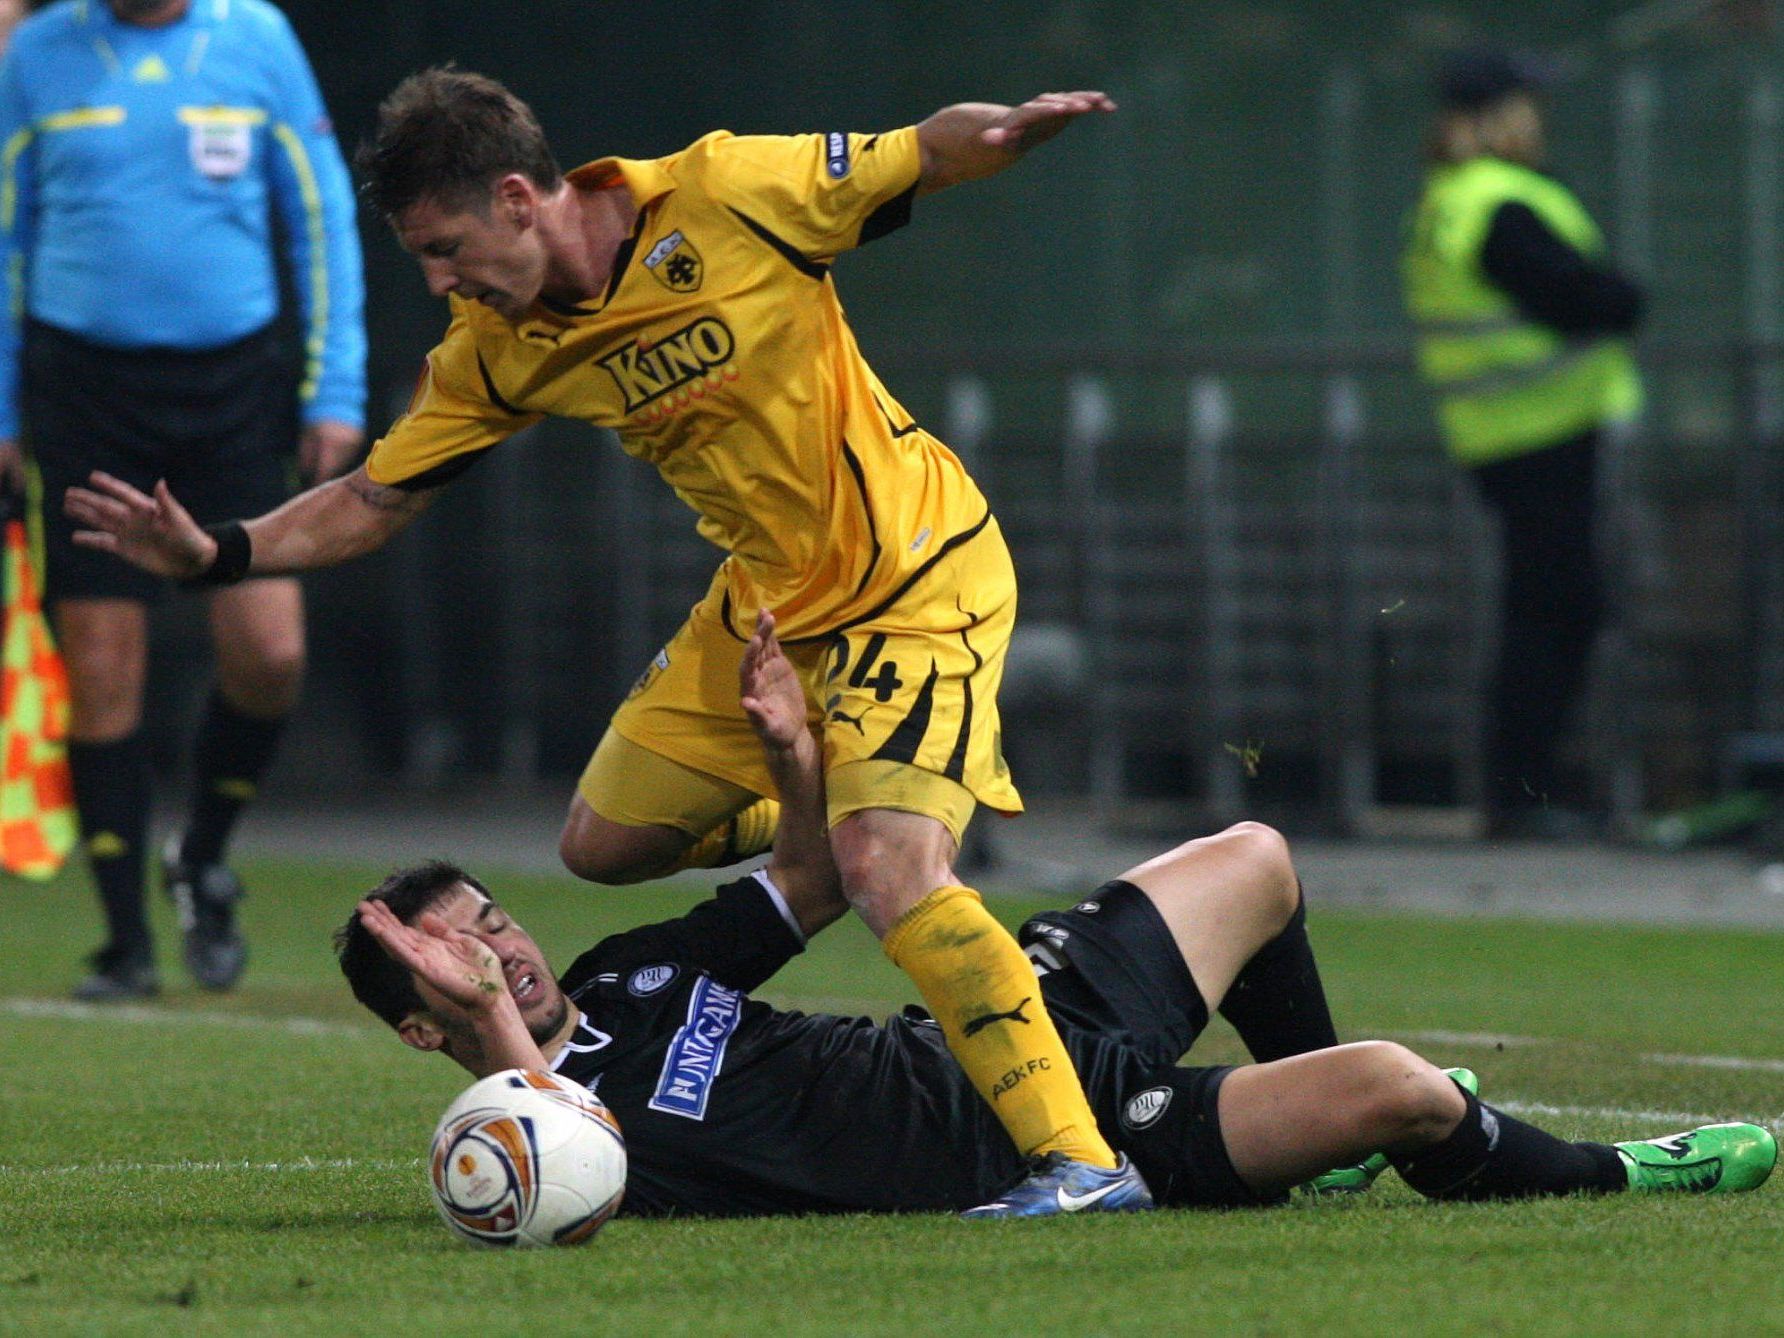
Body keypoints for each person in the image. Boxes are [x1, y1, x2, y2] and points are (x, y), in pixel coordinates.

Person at [69, 69, 1140, 1213]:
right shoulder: (495, 347)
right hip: (764, 608)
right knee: (604, 842)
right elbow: (375, 499)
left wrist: (1003, 135)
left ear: (522, 200)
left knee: (887, 870)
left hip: (912, 573)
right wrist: (220, 554)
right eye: (421, 259)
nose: (439, 280)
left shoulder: (726, 192)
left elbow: (916, 150)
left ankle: (1078, 1163)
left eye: (446, 247)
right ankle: (866, 788)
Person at [336, 611, 1776, 1217]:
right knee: (1404, 1085)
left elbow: (822, 877)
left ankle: (1312, 1157)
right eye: (458, 948)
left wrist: (792, 749)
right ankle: (1620, 1175)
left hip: (1006, 1022)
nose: (500, 944)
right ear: (422, 1015)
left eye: (490, 916)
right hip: (1027, 1143)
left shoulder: (628, 970)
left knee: (1259, 853)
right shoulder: (517, 1135)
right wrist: (485, 1027)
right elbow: (567, 1170)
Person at [0, 0, 365, 998]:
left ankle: (200, 855)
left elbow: (322, 212)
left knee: (271, 653)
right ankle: (125, 947)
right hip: (83, 394)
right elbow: (5, 235)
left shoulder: (256, 37)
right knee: (103, 665)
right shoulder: (35, 51)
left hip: (233, 394)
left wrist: (334, 384)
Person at [1403, 49, 1644, 840]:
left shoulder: (1445, 202)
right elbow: (1593, 299)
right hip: (1544, 432)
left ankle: (1524, 792)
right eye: (1528, 104)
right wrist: (1624, 294)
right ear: (1501, 113)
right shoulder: (1500, 201)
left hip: (1499, 437)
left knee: (1545, 609)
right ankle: (1525, 795)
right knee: (1557, 611)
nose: (1539, 119)